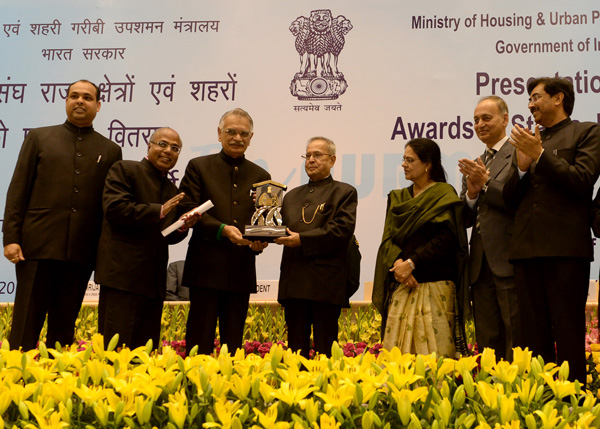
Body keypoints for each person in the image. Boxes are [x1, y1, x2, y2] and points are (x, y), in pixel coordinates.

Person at [2, 79, 122, 350]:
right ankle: (16, 386)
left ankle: (58, 387)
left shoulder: (111, 150)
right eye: (74, 96)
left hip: (80, 254)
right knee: (24, 328)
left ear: (98, 105)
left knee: (63, 330)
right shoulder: (39, 137)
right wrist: (11, 238)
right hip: (35, 248)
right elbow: (18, 190)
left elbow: (108, 208)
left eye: (88, 97)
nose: (80, 101)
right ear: (66, 101)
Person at [504, 77, 600, 382]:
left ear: (559, 98)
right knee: (532, 335)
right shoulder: (530, 140)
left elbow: (582, 180)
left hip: (565, 251)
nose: (530, 105)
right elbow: (509, 200)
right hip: (526, 251)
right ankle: (539, 402)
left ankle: (574, 405)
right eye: (529, 99)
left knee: (568, 330)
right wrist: (520, 167)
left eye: (536, 97)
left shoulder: (586, 132)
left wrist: (541, 156)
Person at [95, 128, 199, 349]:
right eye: (162, 144)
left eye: (175, 148)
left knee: (144, 354)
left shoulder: (171, 188)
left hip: (153, 284)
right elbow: (115, 209)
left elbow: (166, 236)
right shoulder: (125, 169)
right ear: (149, 145)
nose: (168, 151)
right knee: (114, 352)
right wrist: (159, 211)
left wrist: (182, 227)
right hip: (122, 278)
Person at [178, 108, 270, 355]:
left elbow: (263, 223)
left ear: (251, 137)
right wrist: (222, 229)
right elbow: (188, 208)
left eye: (243, 133)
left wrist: (261, 242)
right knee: (199, 342)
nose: (237, 138)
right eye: (231, 132)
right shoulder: (199, 166)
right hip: (205, 268)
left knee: (234, 345)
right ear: (219, 134)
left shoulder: (262, 177)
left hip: (241, 268)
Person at [373, 138, 469, 357]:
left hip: (435, 285)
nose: (404, 165)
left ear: (428, 165)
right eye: (403, 159)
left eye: (410, 160)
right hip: (403, 284)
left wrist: (412, 263)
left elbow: (446, 240)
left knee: (435, 357)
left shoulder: (444, 194)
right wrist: (399, 264)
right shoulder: (398, 198)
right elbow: (388, 240)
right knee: (397, 358)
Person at [274, 136, 358, 358]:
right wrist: (261, 216)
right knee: (295, 353)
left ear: (332, 160)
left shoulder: (344, 192)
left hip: (326, 285)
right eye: (307, 155)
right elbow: (277, 229)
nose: (311, 160)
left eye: (317, 155)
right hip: (294, 283)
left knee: (325, 353)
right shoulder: (291, 196)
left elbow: (341, 231)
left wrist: (303, 240)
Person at [458, 96, 519, 360]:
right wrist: (471, 194)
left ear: (505, 119)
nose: (480, 124)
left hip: (510, 260)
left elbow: (518, 202)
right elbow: (465, 220)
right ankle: (489, 394)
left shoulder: (520, 153)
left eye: (486, 118)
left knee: (515, 334)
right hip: (480, 264)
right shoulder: (475, 163)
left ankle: (517, 396)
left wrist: (484, 183)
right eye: (475, 120)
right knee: (487, 337)